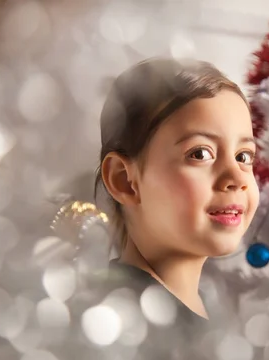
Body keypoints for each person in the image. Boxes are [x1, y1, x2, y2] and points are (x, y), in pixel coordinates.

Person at [95, 57, 259, 322]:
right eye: (200, 153)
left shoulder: (207, 311)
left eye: (243, 156)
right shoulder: (126, 324)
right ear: (124, 180)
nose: (236, 178)